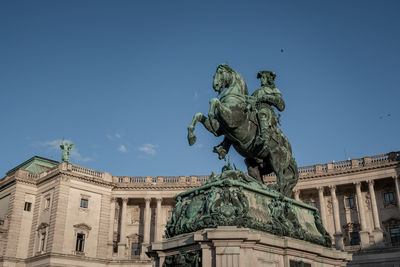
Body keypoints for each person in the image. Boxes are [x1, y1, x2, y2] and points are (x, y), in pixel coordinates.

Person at [251, 70, 285, 147]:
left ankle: (265, 138)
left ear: (268, 79)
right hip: (254, 110)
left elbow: (281, 105)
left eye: (263, 77)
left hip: (267, 111)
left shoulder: (274, 90)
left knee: (262, 113)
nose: (261, 80)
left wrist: (267, 97)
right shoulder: (257, 91)